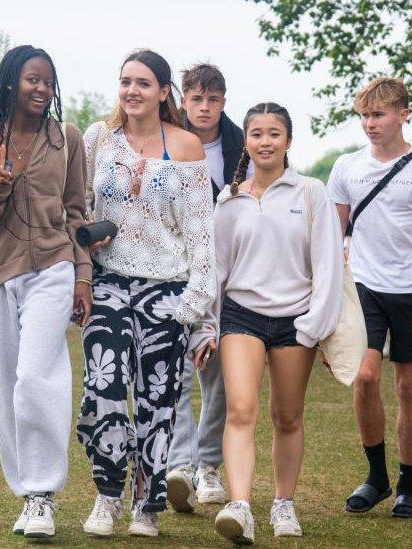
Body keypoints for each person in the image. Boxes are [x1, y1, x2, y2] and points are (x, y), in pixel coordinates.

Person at [0, 44, 92, 540]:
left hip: (53, 267)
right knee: (7, 384)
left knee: (37, 376)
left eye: (49, 82)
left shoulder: (66, 139)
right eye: (34, 79)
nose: (42, 89)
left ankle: (41, 496)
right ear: (12, 81)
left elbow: (76, 213)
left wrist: (82, 277)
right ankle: (26, 490)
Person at [75, 49, 214, 539]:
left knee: (158, 402)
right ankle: (107, 494)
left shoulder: (187, 147)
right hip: (109, 282)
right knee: (103, 387)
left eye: (143, 83)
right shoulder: (97, 139)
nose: (132, 90)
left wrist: (194, 310)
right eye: (125, 81)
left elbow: (201, 237)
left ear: (162, 92)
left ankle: (146, 506)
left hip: (167, 291)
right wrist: (88, 236)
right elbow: (77, 207)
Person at [189, 102, 342, 544]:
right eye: (256, 133)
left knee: (288, 416)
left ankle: (283, 504)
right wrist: (206, 326)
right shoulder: (229, 200)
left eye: (274, 133)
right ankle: (240, 507)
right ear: (247, 142)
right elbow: (216, 272)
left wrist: (315, 326)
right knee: (240, 410)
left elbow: (328, 267)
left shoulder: (311, 192)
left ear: (288, 141)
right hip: (241, 316)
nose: (265, 141)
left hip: (296, 322)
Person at [329, 77, 412, 519]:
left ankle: (406, 486)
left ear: (403, 114)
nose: (369, 123)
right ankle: (375, 477)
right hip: (362, 285)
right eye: (363, 115)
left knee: (407, 385)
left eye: (378, 114)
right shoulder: (346, 166)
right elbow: (332, 237)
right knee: (364, 377)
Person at [166, 62, 245, 513]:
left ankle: (209, 465)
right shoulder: (165, 140)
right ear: (183, 99)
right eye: (196, 99)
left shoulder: (241, 145)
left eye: (212, 99)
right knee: (174, 370)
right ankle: (179, 463)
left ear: (223, 102)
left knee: (216, 373)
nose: (204, 107)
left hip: (227, 276)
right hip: (174, 269)